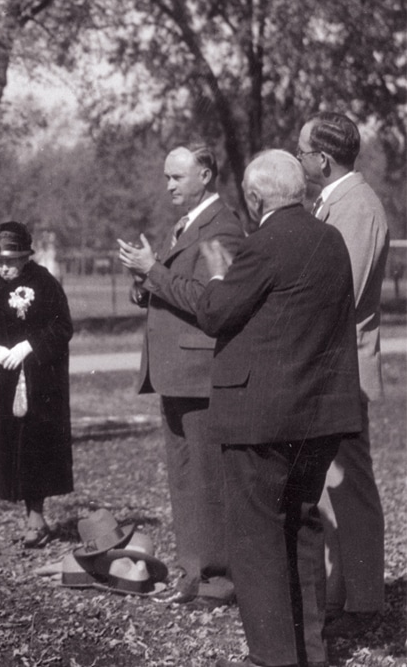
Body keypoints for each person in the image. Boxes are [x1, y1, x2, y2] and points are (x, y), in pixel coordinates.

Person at [123, 150, 362, 667]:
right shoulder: (331, 240)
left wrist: (214, 277)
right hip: (319, 416)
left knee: (256, 541)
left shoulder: (262, 246)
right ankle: (309, 653)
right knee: (300, 527)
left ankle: (272, 657)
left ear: (255, 199)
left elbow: (215, 312)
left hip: (263, 419)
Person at [116, 144, 244, 606]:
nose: (169, 185)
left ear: (206, 175)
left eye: (177, 177)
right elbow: (174, 288)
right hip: (176, 373)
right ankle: (194, 575)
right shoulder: (185, 225)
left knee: (206, 480)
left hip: (200, 373)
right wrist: (142, 278)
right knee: (185, 478)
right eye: (167, 177)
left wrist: (153, 270)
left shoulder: (222, 228)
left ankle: (215, 581)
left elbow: (216, 302)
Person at [297, 112, 389, 637]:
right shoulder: (336, 201)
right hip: (332, 367)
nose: (300, 158)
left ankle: (362, 602)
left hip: (344, 370)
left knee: (349, 485)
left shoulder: (355, 207)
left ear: (322, 158)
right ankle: (343, 596)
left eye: (303, 150)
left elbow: (340, 293)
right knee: (333, 485)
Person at [0, 222, 73, 548]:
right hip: (9, 384)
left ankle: (37, 516)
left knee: (37, 446)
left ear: (25, 257)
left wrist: (29, 346)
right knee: (15, 447)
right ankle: (28, 512)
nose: (4, 268)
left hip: (41, 383)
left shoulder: (44, 283)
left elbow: (62, 329)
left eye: (10, 261)